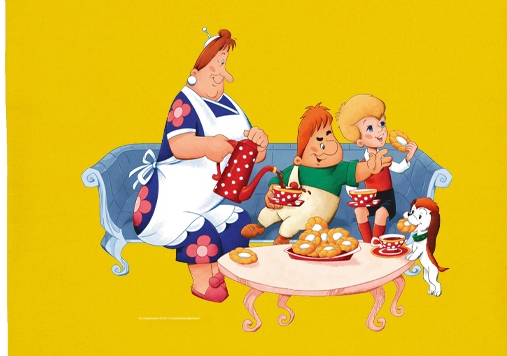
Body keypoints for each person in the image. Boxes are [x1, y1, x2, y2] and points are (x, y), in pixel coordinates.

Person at [134, 28, 269, 302]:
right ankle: (203, 283)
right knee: (200, 231)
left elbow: (251, 154)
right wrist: (207, 146)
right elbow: (178, 145)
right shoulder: (185, 103)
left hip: (205, 204)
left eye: (224, 64)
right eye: (216, 65)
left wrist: (260, 145)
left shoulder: (230, 105)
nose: (223, 73)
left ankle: (221, 273)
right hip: (165, 208)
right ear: (195, 71)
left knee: (238, 221)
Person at [241, 104, 391, 243]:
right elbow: (278, 178)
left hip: (318, 211)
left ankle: (283, 237)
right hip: (295, 204)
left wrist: (369, 167)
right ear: (300, 157)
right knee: (272, 211)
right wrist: (272, 190)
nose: (327, 144)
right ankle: (259, 226)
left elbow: (357, 171)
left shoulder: (337, 169)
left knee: (295, 221)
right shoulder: (298, 168)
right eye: (319, 139)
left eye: (329, 134)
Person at [335, 93, 418, 242]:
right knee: (359, 211)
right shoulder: (362, 164)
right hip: (369, 200)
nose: (380, 130)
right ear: (360, 142)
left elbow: (399, 168)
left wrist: (408, 157)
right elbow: (350, 182)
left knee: (381, 213)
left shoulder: (385, 159)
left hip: (387, 200)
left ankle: (376, 242)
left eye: (382, 124)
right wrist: (356, 195)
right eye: (370, 128)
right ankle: (368, 243)